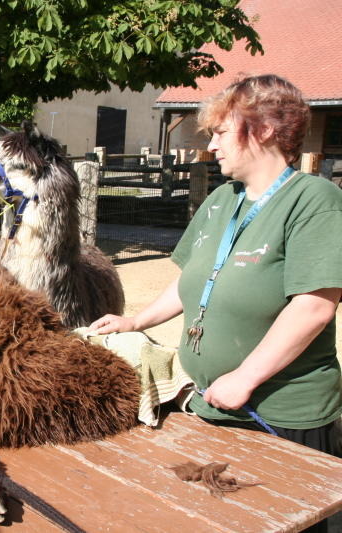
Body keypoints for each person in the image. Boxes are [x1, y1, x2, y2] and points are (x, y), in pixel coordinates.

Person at [89, 75, 342, 530]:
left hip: (279, 415)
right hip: (209, 404)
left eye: (222, 131)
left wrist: (245, 377)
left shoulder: (314, 200)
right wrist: (135, 321)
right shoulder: (222, 199)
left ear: (263, 128)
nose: (213, 143)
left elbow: (314, 306)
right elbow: (190, 279)